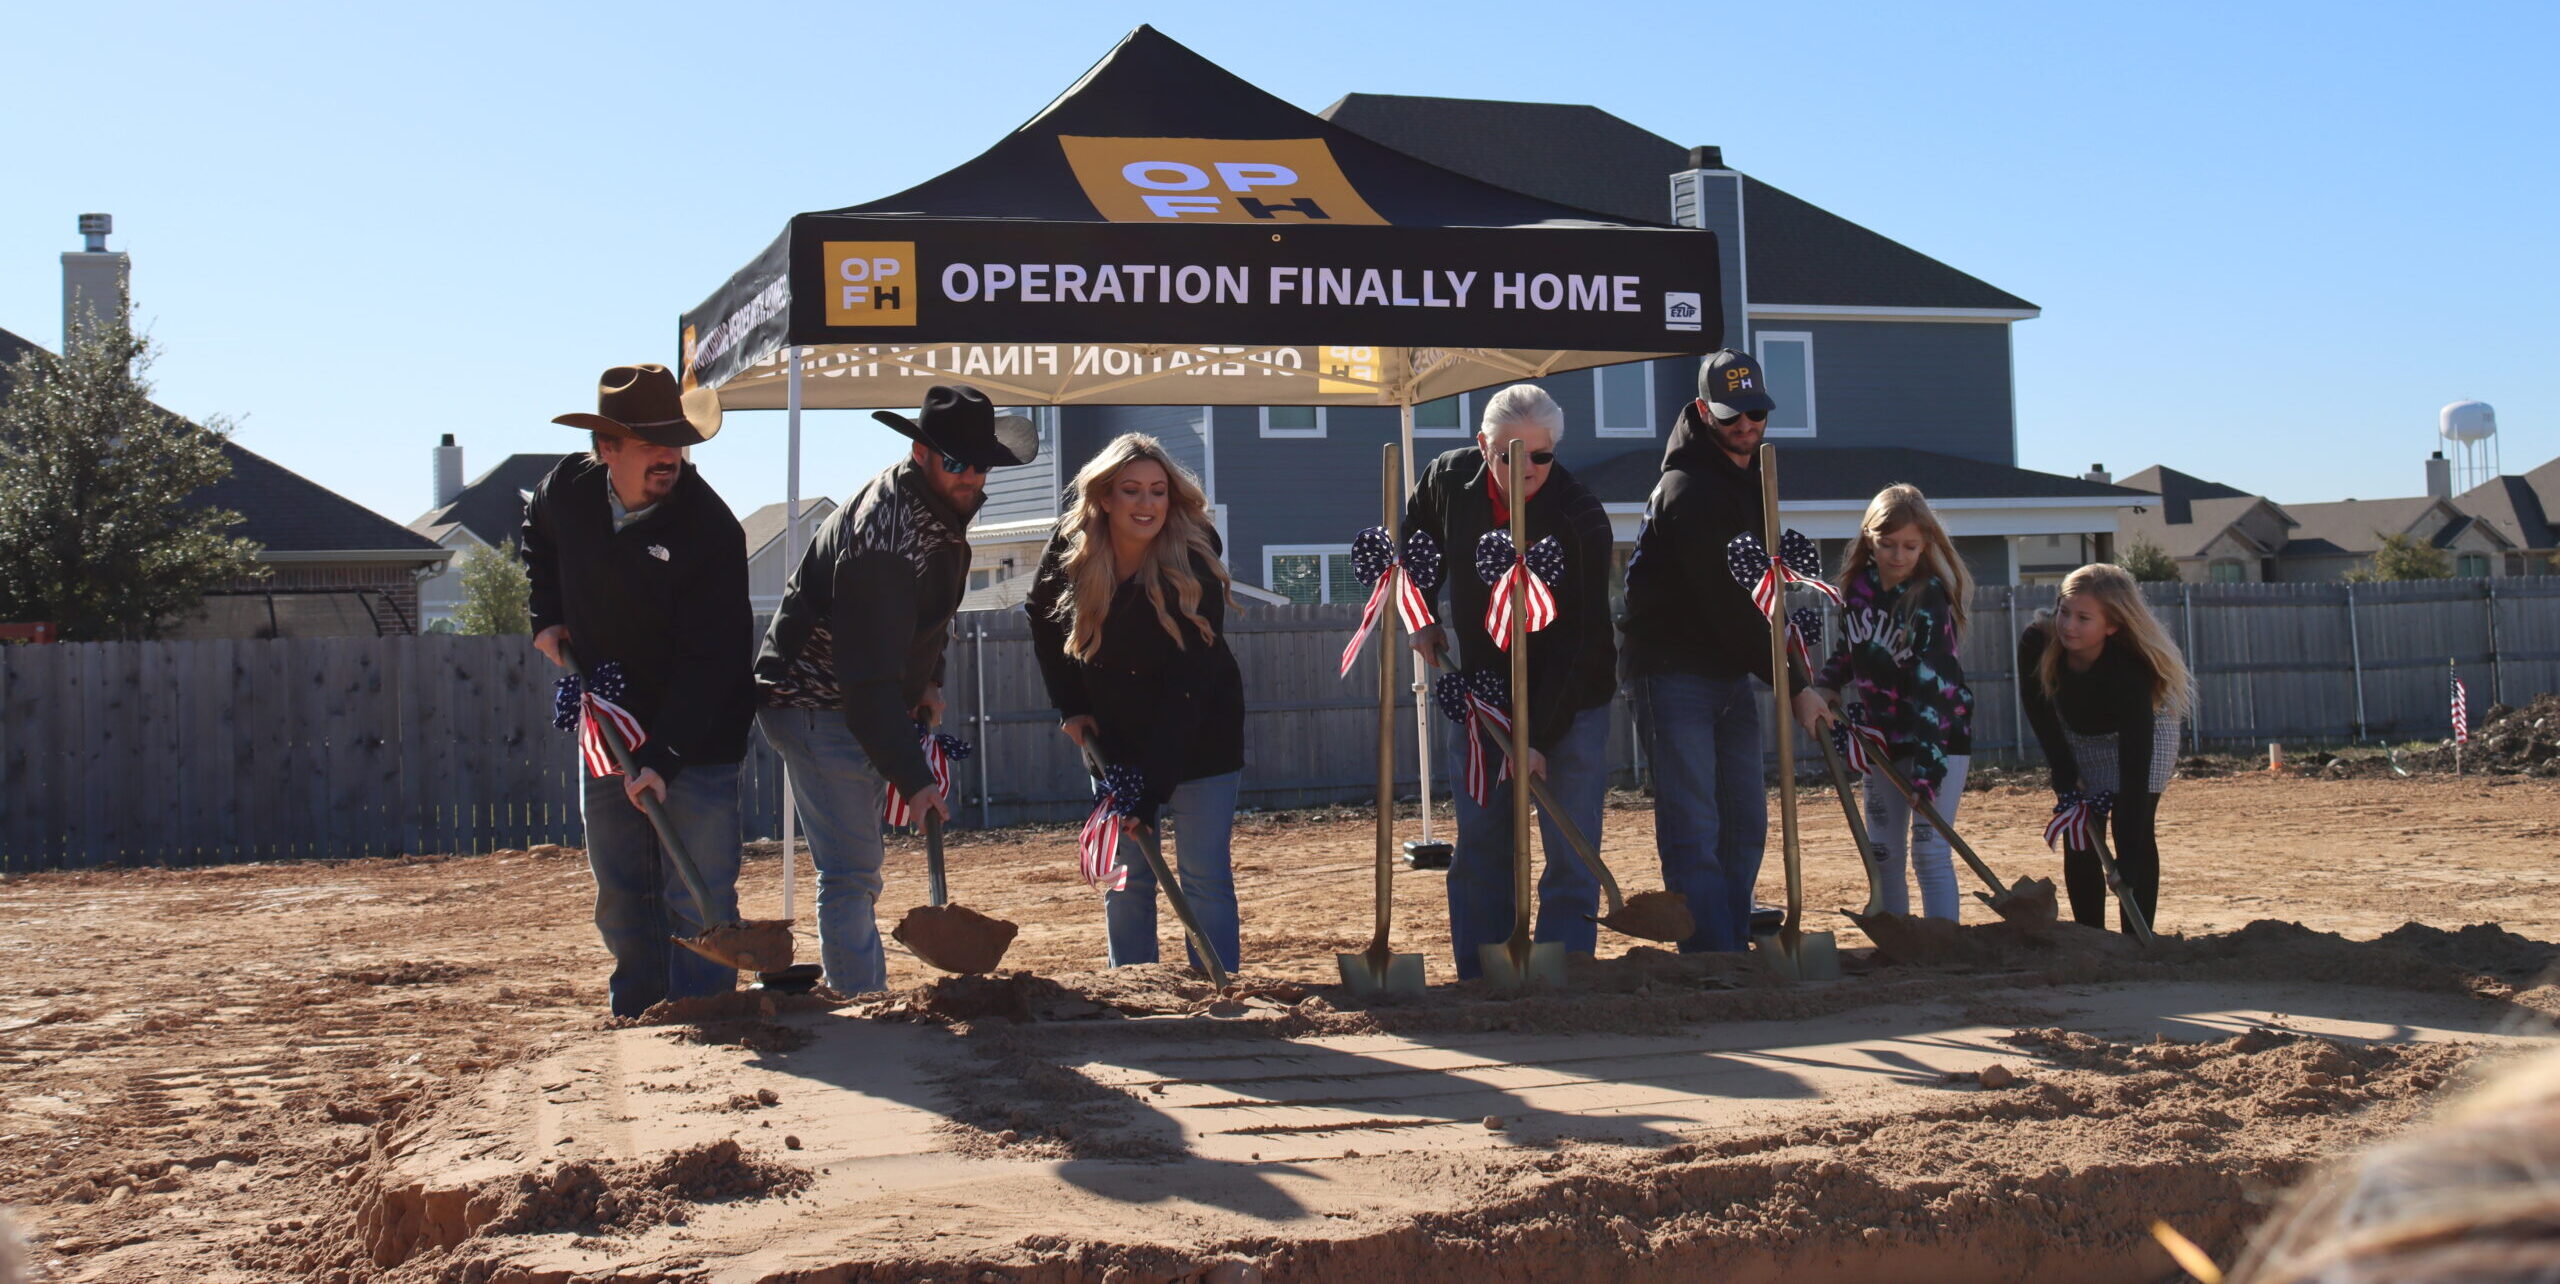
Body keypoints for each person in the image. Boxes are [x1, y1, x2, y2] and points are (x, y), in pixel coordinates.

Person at [756, 384, 1036, 995]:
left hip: (862, 695)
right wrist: (915, 782)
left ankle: (855, 990)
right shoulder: (882, 537)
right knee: (852, 870)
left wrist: (929, 682)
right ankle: (862, 1005)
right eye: (956, 463)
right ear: (920, 455)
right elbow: (865, 684)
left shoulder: (939, 512)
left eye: (980, 464)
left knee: (856, 867)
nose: (971, 477)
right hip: (814, 701)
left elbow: (925, 618)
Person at [523, 362, 755, 1017]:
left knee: (697, 887)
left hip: (700, 734)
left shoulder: (709, 529)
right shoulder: (567, 489)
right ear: (606, 450)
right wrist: (546, 612)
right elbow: (536, 532)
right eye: (651, 443)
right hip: (611, 719)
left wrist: (664, 756)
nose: (668, 457)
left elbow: (713, 660)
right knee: (624, 887)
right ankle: (639, 1013)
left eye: (676, 442)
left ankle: (705, 1016)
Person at [1620, 349, 1831, 952]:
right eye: (1731, 416)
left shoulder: (1748, 482)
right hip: (1671, 673)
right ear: (1701, 412)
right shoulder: (1686, 490)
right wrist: (1794, 686)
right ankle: (1711, 956)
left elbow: (1757, 598)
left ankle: (1730, 941)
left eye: (1755, 414)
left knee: (1744, 823)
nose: (1745, 426)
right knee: (1695, 823)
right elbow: (1728, 603)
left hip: (1728, 673)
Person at [1403, 384, 1616, 978]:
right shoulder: (1448, 480)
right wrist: (1420, 615)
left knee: (1572, 849)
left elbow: (1580, 642)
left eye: (1540, 456)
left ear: (1556, 451)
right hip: (1483, 692)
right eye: (1506, 454)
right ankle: (1481, 974)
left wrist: (1538, 737)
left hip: (1571, 698)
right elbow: (1413, 543)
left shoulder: (1580, 519)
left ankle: (1563, 973)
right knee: (1481, 844)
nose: (1523, 468)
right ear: (1482, 446)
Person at [1023, 434, 1246, 972]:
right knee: (1127, 876)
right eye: (1131, 491)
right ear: (1104, 497)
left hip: (1199, 730)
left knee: (1202, 875)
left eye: (1157, 491)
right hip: (1115, 734)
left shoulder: (1193, 554)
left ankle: (1220, 988)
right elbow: (1039, 615)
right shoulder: (1073, 543)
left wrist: (1151, 792)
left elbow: (1188, 684)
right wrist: (1070, 706)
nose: (1146, 505)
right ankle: (1135, 988)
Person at [1797, 484, 1977, 921]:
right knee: (1883, 852)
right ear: (1868, 540)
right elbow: (1850, 648)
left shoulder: (1928, 599)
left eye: (1910, 546)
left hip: (1937, 739)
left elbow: (1937, 689)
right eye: (1887, 544)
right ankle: (1898, 940)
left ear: (1925, 545)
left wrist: (1928, 775)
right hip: (1880, 736)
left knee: (1930, 849)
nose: (1899, 555)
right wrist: (1828, 682)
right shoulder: (1858, 591)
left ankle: (1940, 942)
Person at [2017, 562, 2191, 934]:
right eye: (2064, 611)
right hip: (2078, 729)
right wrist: (2063, 771)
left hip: (2147, 729)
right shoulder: (2038, 642)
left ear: (2111, 626)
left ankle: (2136, 939)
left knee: (2136, 827)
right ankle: (2089, 936)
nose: (2068, 626)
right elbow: (2040, 712)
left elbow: (2133, 768)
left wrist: (2127, 856)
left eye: (2083, 618)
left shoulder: (2131, 672)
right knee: (2079, 830)